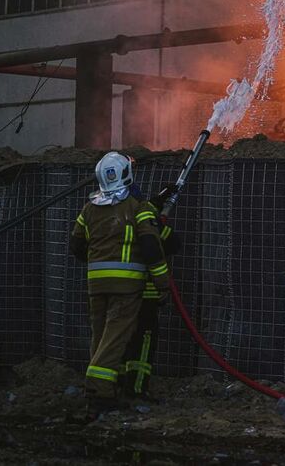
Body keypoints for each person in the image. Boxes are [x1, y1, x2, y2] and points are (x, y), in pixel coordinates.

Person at [69, 152, 171, 419]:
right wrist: (162, 284)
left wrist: (99, 262)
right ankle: (99, 391)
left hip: (96, 285)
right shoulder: (137, 207)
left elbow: (76, 246)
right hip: (126, 288)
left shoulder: (88, 209)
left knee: (100, 336)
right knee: (115, 338)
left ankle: (103, 388)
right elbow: (151, 247)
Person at [120, 184, 179, 402]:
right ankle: (136, 390)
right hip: (144, 294)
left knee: (118, 339)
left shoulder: (112, 218)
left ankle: (116, 386)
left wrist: (157, 203)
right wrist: (164, 285)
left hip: (117, 294)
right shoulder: (146, 221)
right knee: (143, 341)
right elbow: (170, 244)